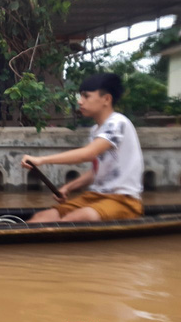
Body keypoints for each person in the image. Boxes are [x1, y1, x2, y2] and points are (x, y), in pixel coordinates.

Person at [21, 73, 143, 223]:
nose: (80, 102)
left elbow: (88, 154)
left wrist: (41, 160)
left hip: (123, 200)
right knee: (41, 218)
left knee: (75, 219)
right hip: (95, 197)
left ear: (106, 99)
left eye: (86, 97)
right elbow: (96, 172)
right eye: (81, 96)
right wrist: (68, 187)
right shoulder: (95, 131)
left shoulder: (117, 123)